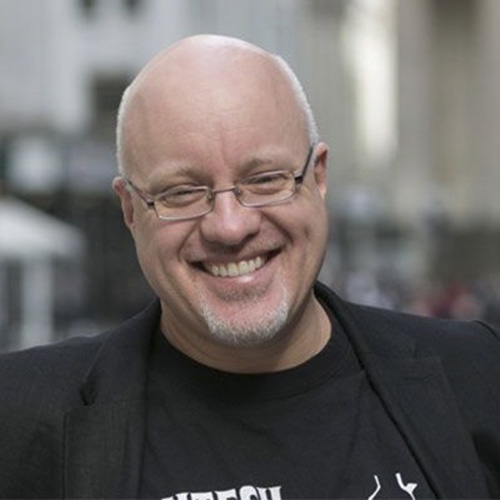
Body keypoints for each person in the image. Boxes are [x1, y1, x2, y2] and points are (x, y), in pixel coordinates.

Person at [1, 34, 499, 500]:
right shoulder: (19, 418)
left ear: (318, 177)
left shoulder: (478, 376)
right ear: (131, 210)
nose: (230, 226)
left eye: (264, 180)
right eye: (182, 192)